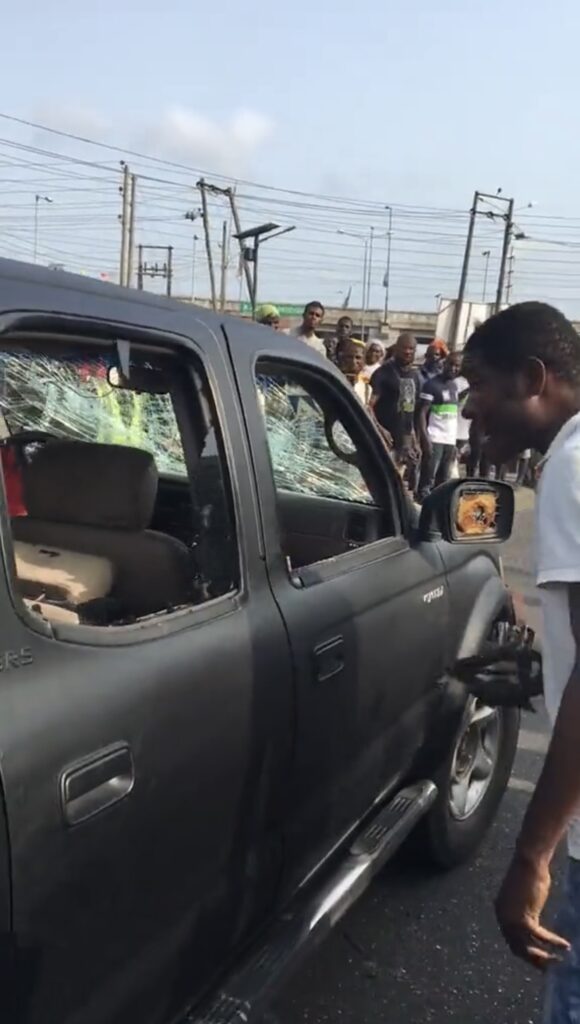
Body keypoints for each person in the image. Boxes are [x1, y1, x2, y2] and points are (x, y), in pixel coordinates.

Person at [461, 301, 580, 1021]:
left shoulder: (570, 467)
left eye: (479, 385)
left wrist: (531, 854)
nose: (471, 410)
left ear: (533, 378)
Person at [370, 332, 421, 489]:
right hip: (384, 438)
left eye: (411, 349)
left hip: (404, 441)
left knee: (398, 485)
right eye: (404, 348)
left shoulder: (415, 376)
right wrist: (380, 429)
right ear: (396, 348)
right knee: (380, 482)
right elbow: (369, 406)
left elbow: (410, 410)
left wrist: (414, 440)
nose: (407, 352)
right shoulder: (383, 373)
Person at [417, 352, 462, 500]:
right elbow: (422, 413)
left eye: (457, 366)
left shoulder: (454, 386)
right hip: (434, 438)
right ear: (444, 364)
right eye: (451, 364)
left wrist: (454, 443)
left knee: (443, 481)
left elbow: (453, 417)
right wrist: (425, 438)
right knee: (427, 481)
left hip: (449, 441)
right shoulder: (431, 385)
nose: (453, 368)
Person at [336, 337, 368, 403]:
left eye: (358, 357)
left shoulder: (367, 388)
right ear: (342, 358)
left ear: (363, 361)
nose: (353, 361)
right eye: (349, 357)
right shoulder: (333, 381)